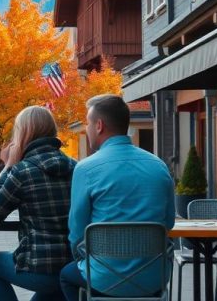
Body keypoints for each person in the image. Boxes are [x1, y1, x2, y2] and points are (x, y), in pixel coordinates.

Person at [59, 95, 175, 301]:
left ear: (99, 126)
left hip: (104, 278)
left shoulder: (85, 169)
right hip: (153, 278)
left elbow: (77, 233)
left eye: (88, 123)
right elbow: (169, 222)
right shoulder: (159, 166)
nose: (86, 129)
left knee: (66, 275)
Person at [0, 106, 74, 301]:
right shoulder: (75, 166)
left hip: (39, 269)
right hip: (73, 270)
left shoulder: (22, 171)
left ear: (24, 133)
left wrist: (9, 165)